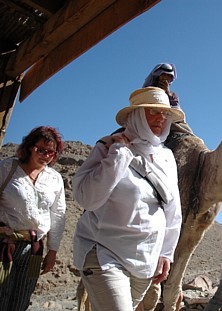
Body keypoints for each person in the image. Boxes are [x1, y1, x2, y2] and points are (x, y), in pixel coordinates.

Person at [72, 86, 183, 311]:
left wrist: (166, 253)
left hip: (145, 261)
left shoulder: (166, 156)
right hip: (105, 253)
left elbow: (172, 209)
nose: (161, 118)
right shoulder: (108, 146)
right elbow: (87, 199)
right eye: (153, 111)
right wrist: (120, 155)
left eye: (165, 113)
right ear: (136, 115)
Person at [0, 126, 66, 311]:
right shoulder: (7, 168)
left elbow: (58, 215)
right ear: (30, 147)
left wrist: (52, 251)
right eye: (41, 150)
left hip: (34, 249)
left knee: (22, 300)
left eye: (51, 152)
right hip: (5, 244)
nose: (46, 155)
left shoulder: (54, 179)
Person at [142, 63, 193, 136]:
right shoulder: (148, 91)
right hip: (150, 121)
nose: (166, 78)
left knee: (184, 130)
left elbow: (178, 112)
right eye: (164, 75)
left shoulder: (172, 95)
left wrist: (168, 94)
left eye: (169, 76)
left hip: (168, 121)